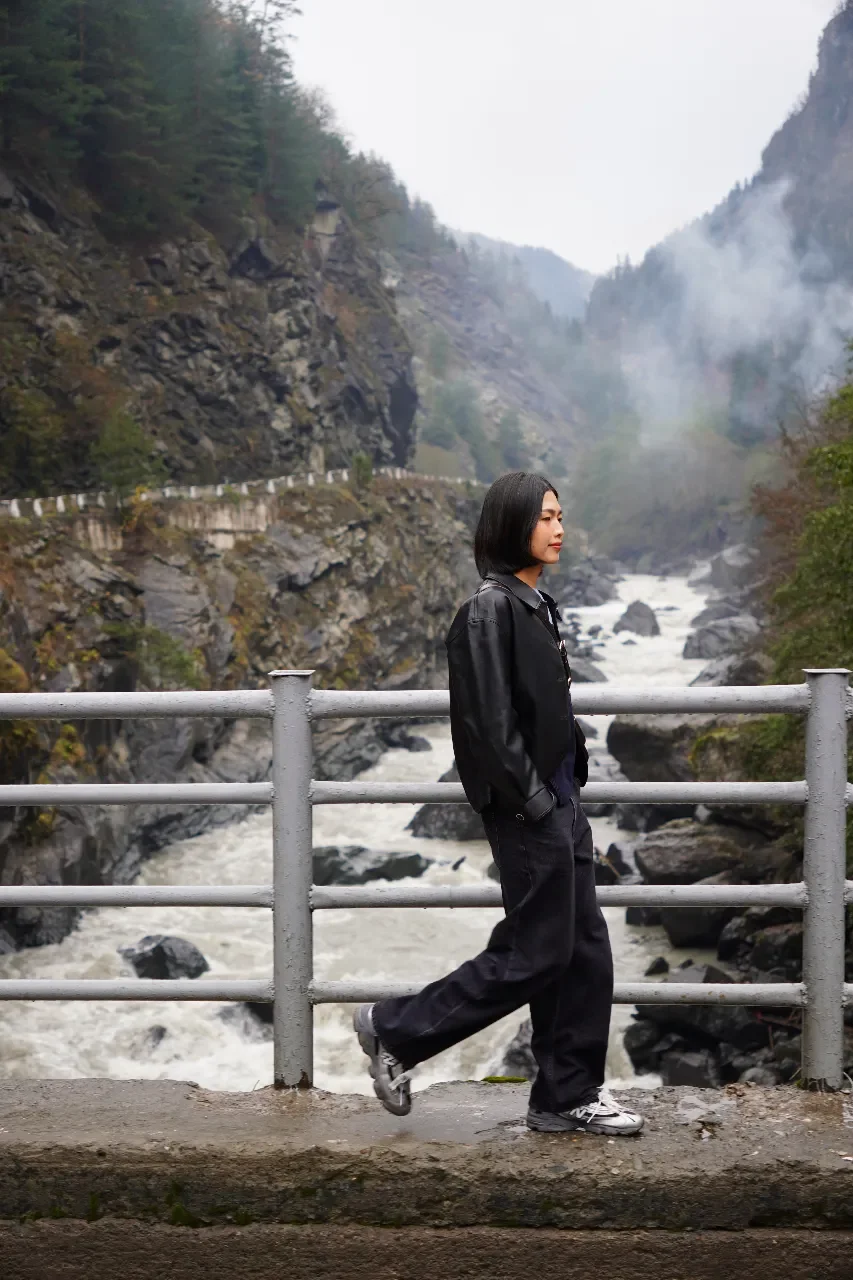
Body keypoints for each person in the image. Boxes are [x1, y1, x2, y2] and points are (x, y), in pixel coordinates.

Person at [354, 471, 643, 1136]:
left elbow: (544, 707)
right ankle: (393, 1029)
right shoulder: (488, 610)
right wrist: (537, 800)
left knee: (584, 950)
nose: (558, 528)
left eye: (560, 515)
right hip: (527, 809)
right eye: (544, 517)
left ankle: (564, 1095)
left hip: (558, 802)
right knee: (536, 953)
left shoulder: (535, 605)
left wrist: (569, 776)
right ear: (511, 524)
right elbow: (486, 723)